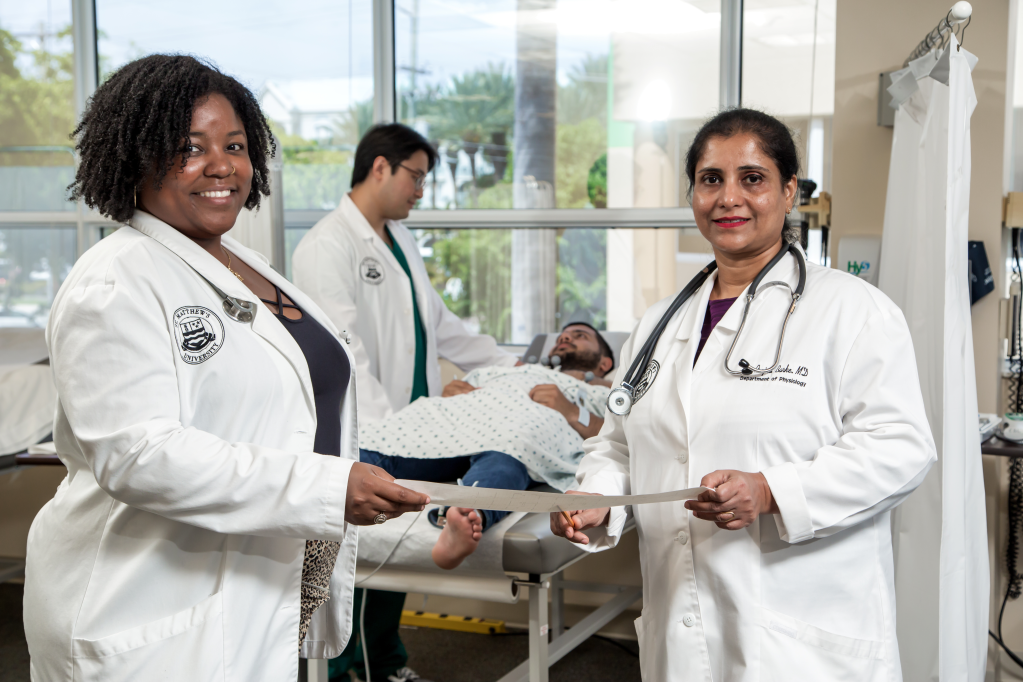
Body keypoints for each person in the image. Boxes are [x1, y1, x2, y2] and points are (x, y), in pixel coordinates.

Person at [22, 55, 428, 682]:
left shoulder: (241, 262)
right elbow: (139, 455)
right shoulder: (115, 279)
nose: (221, 166)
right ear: (136, 157)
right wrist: (326, 489)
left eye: (234, 145)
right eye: (189, 148)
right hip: (144, 608)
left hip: (250, 588)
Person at [550, 109, 937, 681]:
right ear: (693, 196)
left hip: (800, 639)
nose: (729, 197)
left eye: (752, 178)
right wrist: (598, 495)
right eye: (711, 179)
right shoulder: (659, 323)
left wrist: (770, 491)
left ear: (788, 192)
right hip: (680, 628)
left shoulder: (853, 310)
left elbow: (902, 448)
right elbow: (620, 446)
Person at [292, 123, 517, 682]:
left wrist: (512, 368)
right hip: (366, 430)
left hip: (416, 423)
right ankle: (345, 670)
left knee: (392, 558)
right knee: (358, 559)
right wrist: (390, 432)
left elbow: (442, 328)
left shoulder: (400, 238)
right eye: (415, 177)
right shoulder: (326, 246)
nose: (420, 190)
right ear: (379, 168)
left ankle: (386, 660)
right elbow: (346, 356)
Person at [359, 322, 615, 569]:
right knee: (391, 436)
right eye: (562, 336)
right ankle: (343, 470)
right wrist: (454, 391)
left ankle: (464, 515)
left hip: (512, 436)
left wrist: (572, 411)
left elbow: (617, 436)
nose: (565, 338)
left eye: (579, 335)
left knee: (508, 453)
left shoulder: (603, 392)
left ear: (605, 363)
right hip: (453, 425)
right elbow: (465, 388)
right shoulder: (506, 370)